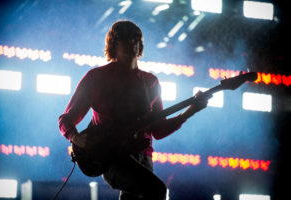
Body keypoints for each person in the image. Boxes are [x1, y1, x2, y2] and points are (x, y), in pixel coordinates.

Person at [58, 20, 210, 200]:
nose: (132, 43)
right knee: (156, 190)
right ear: (114, 44)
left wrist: (191, 111)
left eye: (136, 39)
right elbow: (66, 118)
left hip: (144, 157)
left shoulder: (151, 82)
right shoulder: (97, 77)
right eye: (126, 39)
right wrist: (76, 137)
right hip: (112, 157)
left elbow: (158, 130)